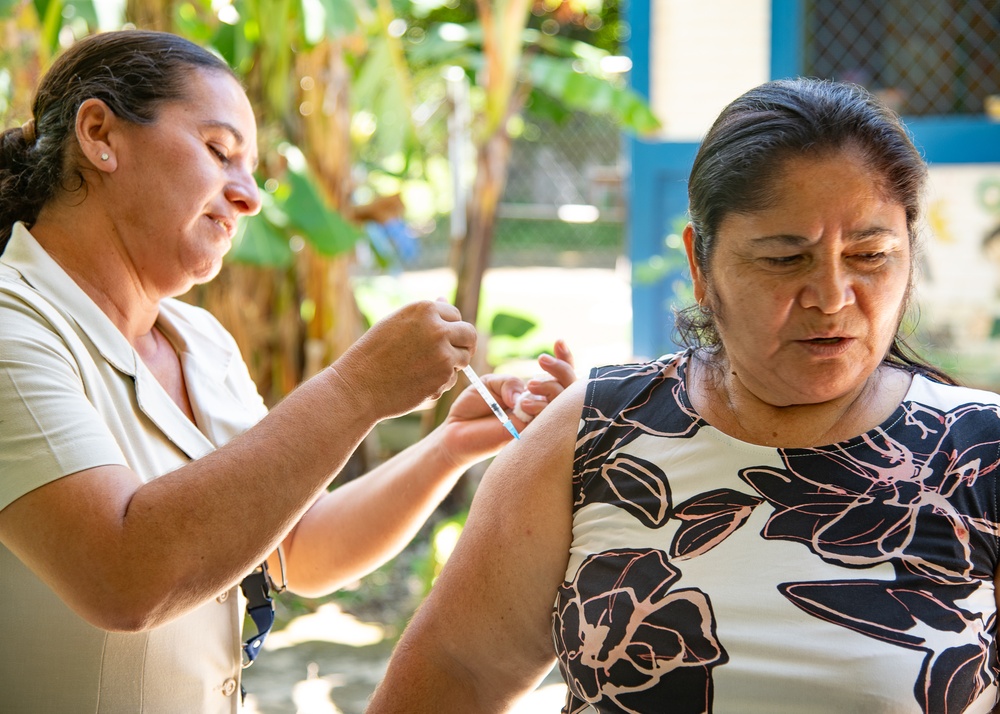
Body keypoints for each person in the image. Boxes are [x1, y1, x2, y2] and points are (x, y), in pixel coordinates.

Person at [367, 78, 1000, 714]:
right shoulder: (595, 433)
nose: (832, 295)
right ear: (701, 265)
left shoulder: (982, 455)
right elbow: (457, 672)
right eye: (785, 258)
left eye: (871, 255)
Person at [0, 29, 575, 713]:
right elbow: (123, 576)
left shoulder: (198, 341)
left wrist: (448, 445)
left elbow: (296, 548)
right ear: (99, 133)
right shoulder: (15, 327)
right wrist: (356, 389)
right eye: (219, 152)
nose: (248, 197)